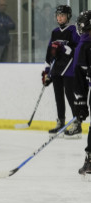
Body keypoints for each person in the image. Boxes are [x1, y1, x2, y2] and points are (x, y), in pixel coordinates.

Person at [41, 5, 80, 139]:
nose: (60, 17)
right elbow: (49, 53)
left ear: (68, 16)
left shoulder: (73, 30)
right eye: (58, 15)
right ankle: (61, 122)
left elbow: (78, 48)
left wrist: (64, 48)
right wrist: (46, 72)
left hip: (69, 69)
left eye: (62, 15)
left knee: (69, 94)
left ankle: (77, 123)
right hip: (57, 68)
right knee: (58, 95)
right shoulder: (55, 32)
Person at [73, 11, 91, 177]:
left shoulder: (83, 46)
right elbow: (79, 78)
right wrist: (81, 103)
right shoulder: (83, 47)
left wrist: (81, 102)